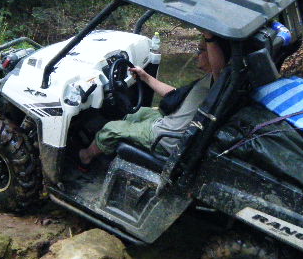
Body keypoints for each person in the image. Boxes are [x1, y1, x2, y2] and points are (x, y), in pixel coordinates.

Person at [78, 30, 229, 167]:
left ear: (215, 54)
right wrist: (145, 77)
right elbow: (175, 94)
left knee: (111, 129)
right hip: (170, 124)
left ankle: (86, 157)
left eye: (201, 50)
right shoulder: (210, 80)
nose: (197, 54)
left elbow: (220, 70)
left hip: (165, 139)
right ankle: (110, 144)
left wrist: (209, 37)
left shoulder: (220, 81)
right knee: (136, 113)